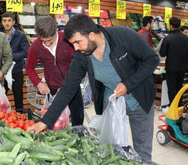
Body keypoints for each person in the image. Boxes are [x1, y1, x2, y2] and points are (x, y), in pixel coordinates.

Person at [27, 14, 159, 161]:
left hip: (139, 98)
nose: (75, 48)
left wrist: (128, 84)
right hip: (111, 103)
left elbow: (152, 59)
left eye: (78, 42)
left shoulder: (124, 36)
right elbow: (68, 89)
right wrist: (45, 121)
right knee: (112, 150)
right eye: (72, 44)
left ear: (92, 35)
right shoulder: (82, 56)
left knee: (142, 152)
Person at [25, 16, 84, 126]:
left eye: (50, 41)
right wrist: (39, 84)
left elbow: (78, 64)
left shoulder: (68, 40)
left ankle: (78, 137)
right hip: (52, 88)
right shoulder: (35, 46)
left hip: (72, 86)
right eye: (44, 41)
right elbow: (29, 67)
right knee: (55, 121)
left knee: (78, 117)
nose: (47, 44)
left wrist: (67, 86)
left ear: (56, 31)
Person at [1, 12, 29, 111]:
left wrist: (10, 57)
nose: (7, 23)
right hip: (2, 72)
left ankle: (20, 118)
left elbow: (25, 52)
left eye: (9, 20)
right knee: (0, 97)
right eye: (4, 21)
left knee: (18, 98)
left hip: (16, 72)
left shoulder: (21, 35)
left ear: (13, 22)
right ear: (2, 22)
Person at [160, 17, 188, 106]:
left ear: (171, 26)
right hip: (182, 67)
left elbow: (162, 53)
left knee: (171, 88)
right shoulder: (186, 38)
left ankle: (172, 107)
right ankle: (179, 107)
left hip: (171, 67)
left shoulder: (168, 38)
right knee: (179, 88)